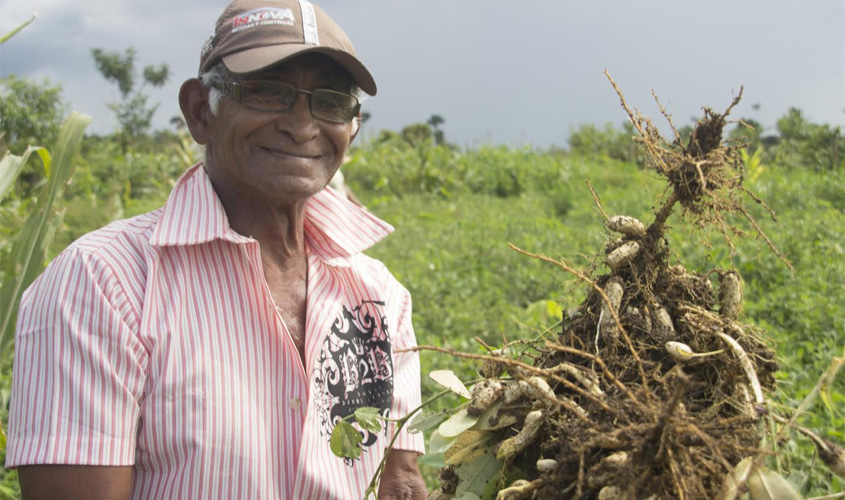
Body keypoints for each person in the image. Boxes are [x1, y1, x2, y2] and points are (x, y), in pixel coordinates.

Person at [5, 1, 427, 498]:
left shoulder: (381, 296)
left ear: (351, 124)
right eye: (269, 92)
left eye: (331, 102)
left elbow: (401, 481)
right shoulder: (101, 284)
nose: (302, 125)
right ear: (201, 112)